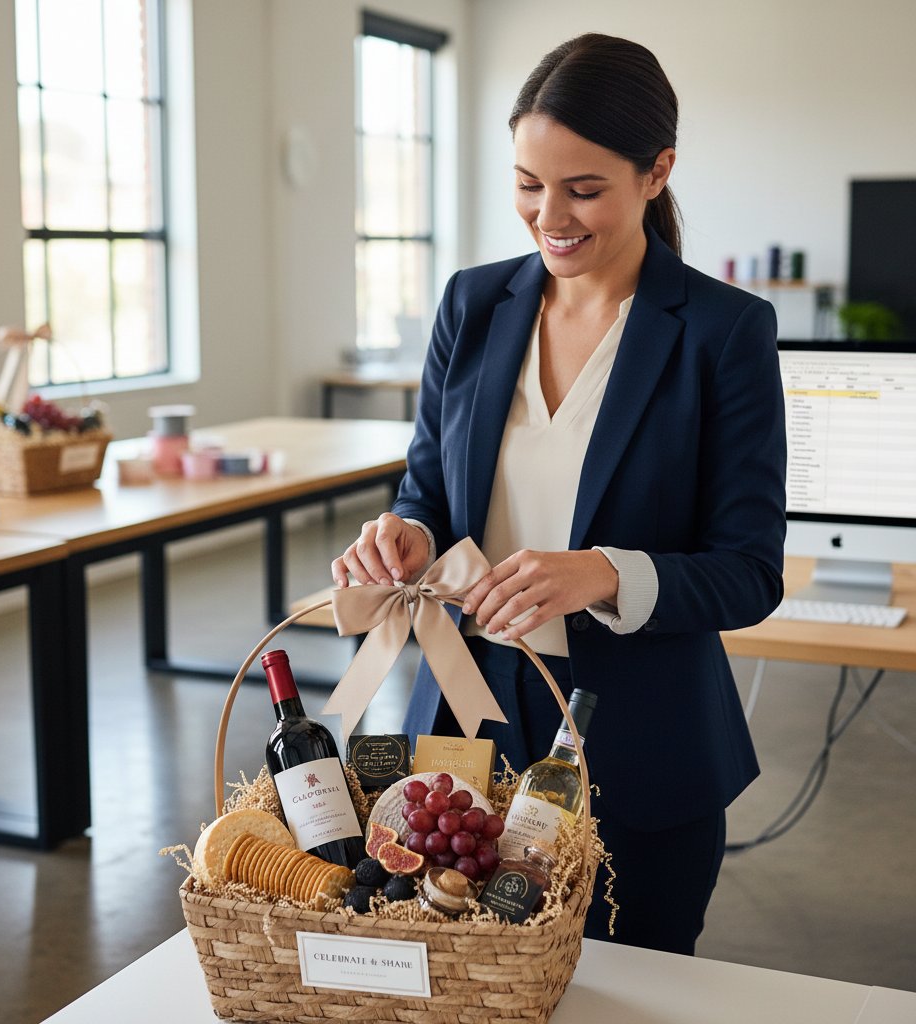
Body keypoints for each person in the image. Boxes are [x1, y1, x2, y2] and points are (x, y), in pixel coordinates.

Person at [331, 33, 786, 955]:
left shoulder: (724, 331)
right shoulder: (472, 304)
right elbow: (426, 486)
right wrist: (408, 536)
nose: (550, 216)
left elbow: (749, 571)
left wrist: (605, 574)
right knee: (460, 980)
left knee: (633, 982)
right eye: (529, 183)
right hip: (463, 721)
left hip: (641, 739)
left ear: (657, 172)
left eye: (584, 189)